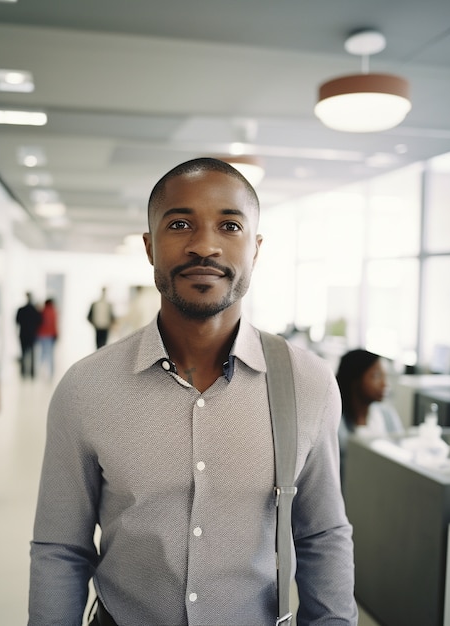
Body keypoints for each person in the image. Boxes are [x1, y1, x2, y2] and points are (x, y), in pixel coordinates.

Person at [29, 158, 358, 625]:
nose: (205, 246)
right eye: (180, 224)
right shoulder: (86, 388)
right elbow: (60, 547)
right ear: (149, 246)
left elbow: (322, 535)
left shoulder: (307, 383)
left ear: (256, 247)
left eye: (229, 225)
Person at [336, 348, 405, 483]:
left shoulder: (387, 415)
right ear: (355, 380)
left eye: (385, 376)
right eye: (376, 376)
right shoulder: (336, 422)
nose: (385, 384)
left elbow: (400, 454)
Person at [16, 292, 42, 379]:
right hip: (32, 334)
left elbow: (17, 321)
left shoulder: (21, 309)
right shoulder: (35, 310)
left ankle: (23, 372)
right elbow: (39, 321)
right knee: (32, 354)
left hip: (23, 334)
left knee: (23, 353)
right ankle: (32, 373)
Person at [37, 298, 58, 379]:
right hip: (50, 335)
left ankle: (41, 371)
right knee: (50, 354)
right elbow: (55, 324)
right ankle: (51, 373)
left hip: (42, 335)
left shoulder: (42, 311)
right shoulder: (54, 311)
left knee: (43, 354)